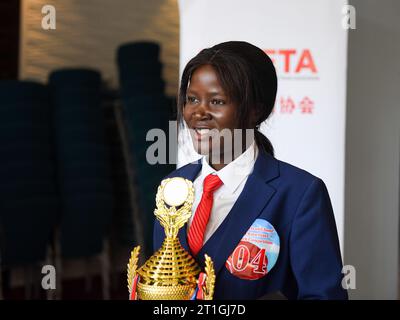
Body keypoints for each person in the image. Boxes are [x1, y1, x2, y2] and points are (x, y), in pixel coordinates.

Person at [153, 41, 348, 300]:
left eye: (217, 101)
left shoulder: (299, 194)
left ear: (255, 110)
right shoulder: (172, 186)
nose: (199, 112)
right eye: (192, 99)